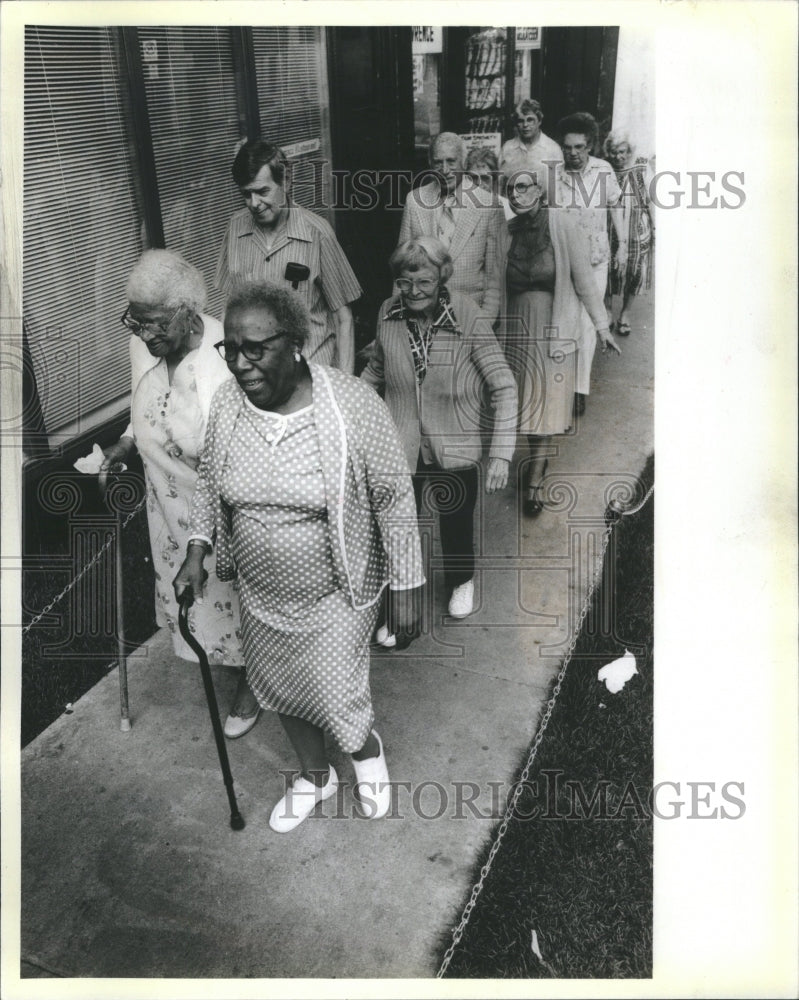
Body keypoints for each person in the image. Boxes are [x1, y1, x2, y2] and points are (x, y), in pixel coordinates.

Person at [173, 281, 424, 833]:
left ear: (294, 344)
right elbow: (212, 480)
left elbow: (393, 494)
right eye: (230, 349)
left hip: (336, 591)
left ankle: (365, 755)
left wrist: (408, 585)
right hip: (261, 593)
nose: (239, 364)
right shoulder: (229, 406)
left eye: (254, 349)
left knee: (337, 692)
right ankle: (316, 777)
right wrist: (198, 547)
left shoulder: (351, 402)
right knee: (279, 687)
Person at [100, 250, 260, 739]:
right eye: (136, 322)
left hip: (223, 504)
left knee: (238, 595)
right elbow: (149, 398)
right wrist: (128, 441)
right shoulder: (146, 344)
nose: (144, 336)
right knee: (200, 602)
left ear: (189, 313)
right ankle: (232, 663)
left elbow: (239, 447)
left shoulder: (224, 352)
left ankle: (254, 680)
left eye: (153, 324)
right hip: (166, 504)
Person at [361, 237, 517, 624]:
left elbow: (504, 384)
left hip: (456, 436)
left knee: (456, 519)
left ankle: (461, 581)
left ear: (442, 278)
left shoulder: (468, 315)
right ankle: (400, 603)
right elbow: (375, 372)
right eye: (405, 282)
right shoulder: (387, 312)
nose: (413, 292)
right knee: (396, 527)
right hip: (401, 440)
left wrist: (500, 453)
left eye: (425, 283)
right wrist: (346, 407)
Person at [498, 169, 621, 515]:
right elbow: (495, 284)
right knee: (525, 406)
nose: (517, 194)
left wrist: (602, 327)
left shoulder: (562, 225)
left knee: (548, 406)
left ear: (539, 190)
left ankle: (534, 480)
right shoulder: (506, 232)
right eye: (511, 190)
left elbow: (584, 282)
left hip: (555, 328)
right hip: (517, 331)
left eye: (523, 187)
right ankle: (538, 461)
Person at [215, 139, 361, 373]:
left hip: (309, 376)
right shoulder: (235, 228)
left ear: (286, 180)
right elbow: (228, 309)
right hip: (256, 377)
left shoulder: (318, 233)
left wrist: (346, 386)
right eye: (246, 194)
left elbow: (344, 317)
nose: (254, 204)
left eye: (263, 192)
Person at [551, 112, 625, 415]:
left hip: (595, 259)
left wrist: (623, 246)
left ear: (590, 145)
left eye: (580, 147)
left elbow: (615, 206)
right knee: (565, 323)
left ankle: (580, 388)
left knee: (589, 324)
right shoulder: (553, 174)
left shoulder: (604, 171)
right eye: (568, 147)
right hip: (563, 261)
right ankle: (562, 383)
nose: (573, 153)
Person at [398, 132, 503, 323]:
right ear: (430, 163)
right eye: (438, 162)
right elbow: (402, 266)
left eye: (451, 161)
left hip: (470, 315)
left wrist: (485, 322)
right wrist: (401, 318)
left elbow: (494, 276)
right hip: (423, 316)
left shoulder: (489, 205)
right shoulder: (415, 201)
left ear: (463, 162)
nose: (445, 170)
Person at [603, 129, 655, 336]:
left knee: (634, 271)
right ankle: (607, 311)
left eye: (623, 152)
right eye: (615, 152)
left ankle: (625, 313)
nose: (619, 156)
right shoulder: (604, 169)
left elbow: (652, 201)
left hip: (637, 228)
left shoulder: (642, 168)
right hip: (609, 227)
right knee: (606, 269)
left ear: (629, 151)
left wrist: (656, 227)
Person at [499, 98, 563, 189]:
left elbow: (558, 185)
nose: (525, 125)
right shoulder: (508, 148)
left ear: (539, 121)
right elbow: (500, 182)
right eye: (521, 121)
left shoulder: (552, 149)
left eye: (530, 120)